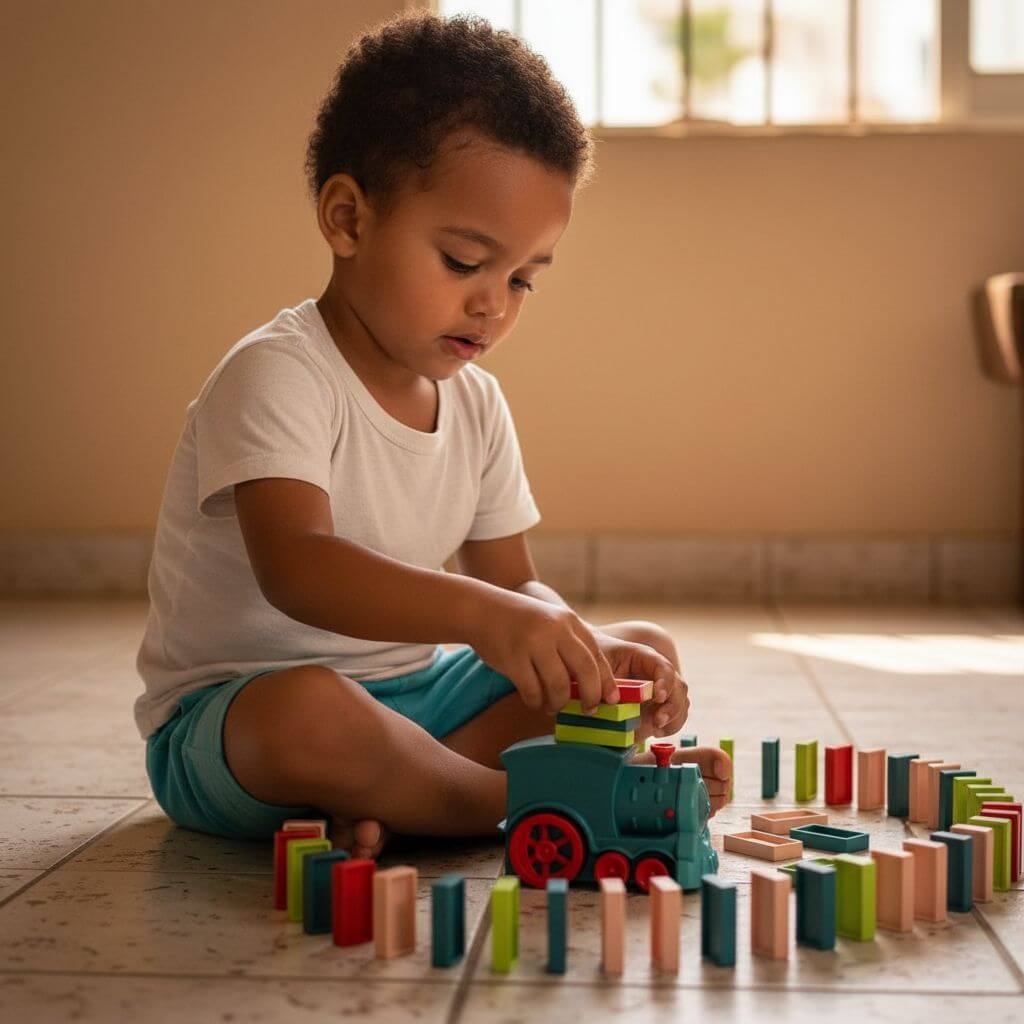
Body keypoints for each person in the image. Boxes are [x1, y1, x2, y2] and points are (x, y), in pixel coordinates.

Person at [135, 10, 730, 860]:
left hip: (418, 703)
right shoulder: (277, 372)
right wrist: (484, 616)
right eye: (463, 262)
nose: (494, 305)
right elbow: (298, 568)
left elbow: (513, 583)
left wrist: (580, 644)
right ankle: (538, 799)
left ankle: (418, 798)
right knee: (315, 715)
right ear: (348, 219)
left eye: (522, 279)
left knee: (637, 651)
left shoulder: (477, 404)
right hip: (239, 723)